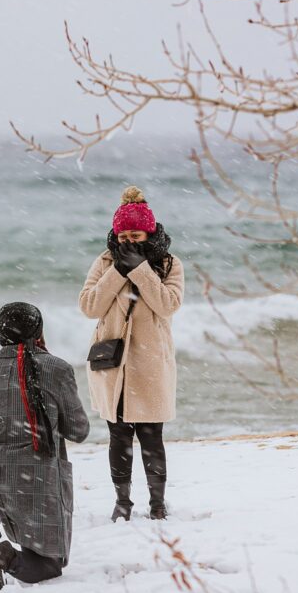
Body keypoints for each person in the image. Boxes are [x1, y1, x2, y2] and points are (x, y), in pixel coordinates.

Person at [79, 186, 184, 521]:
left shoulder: (169, 264)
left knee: (152, 438)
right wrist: (117, 272)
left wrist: (141, 269)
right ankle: (122, 502)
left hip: (151, 366)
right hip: (113, 365)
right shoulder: (106, 261)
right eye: (123, 236)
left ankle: (157, 503)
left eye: (135, 234)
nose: (128, 242)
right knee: (118, 438)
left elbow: (168, 304)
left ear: (149, 231)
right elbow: (89, 306)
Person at [0, 302, 89, 589]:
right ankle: (1, 555)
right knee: (48, 565)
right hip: (34, 481)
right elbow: (79, 431)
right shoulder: (56, 368)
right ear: (38, 331)